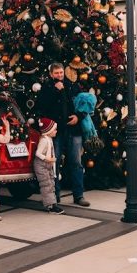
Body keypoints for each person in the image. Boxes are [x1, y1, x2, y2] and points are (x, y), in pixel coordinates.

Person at [36, 62, 90, 207]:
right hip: (56, 132)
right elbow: (42, 107)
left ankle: (79, 195)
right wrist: (55, 90)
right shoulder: (46, 88)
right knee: (54, 163)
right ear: (51, 74)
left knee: (76, 163)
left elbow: (84, 105)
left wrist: (78, 116)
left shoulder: (73, 86)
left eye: (61, 72)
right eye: (56, 73)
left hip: (74, 130)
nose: (59, 75)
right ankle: (55, 196)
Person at [34, 117, 64, 215]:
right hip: (41, 165)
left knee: (51, 184)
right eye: (54, 129)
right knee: (46, 185)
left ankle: (52, 203)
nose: (56, 131)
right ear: (48, 131)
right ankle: (50, 206)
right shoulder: (44, 140)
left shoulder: (49, 139)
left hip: (48, 165)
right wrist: (47, 159)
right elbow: (38, 153)